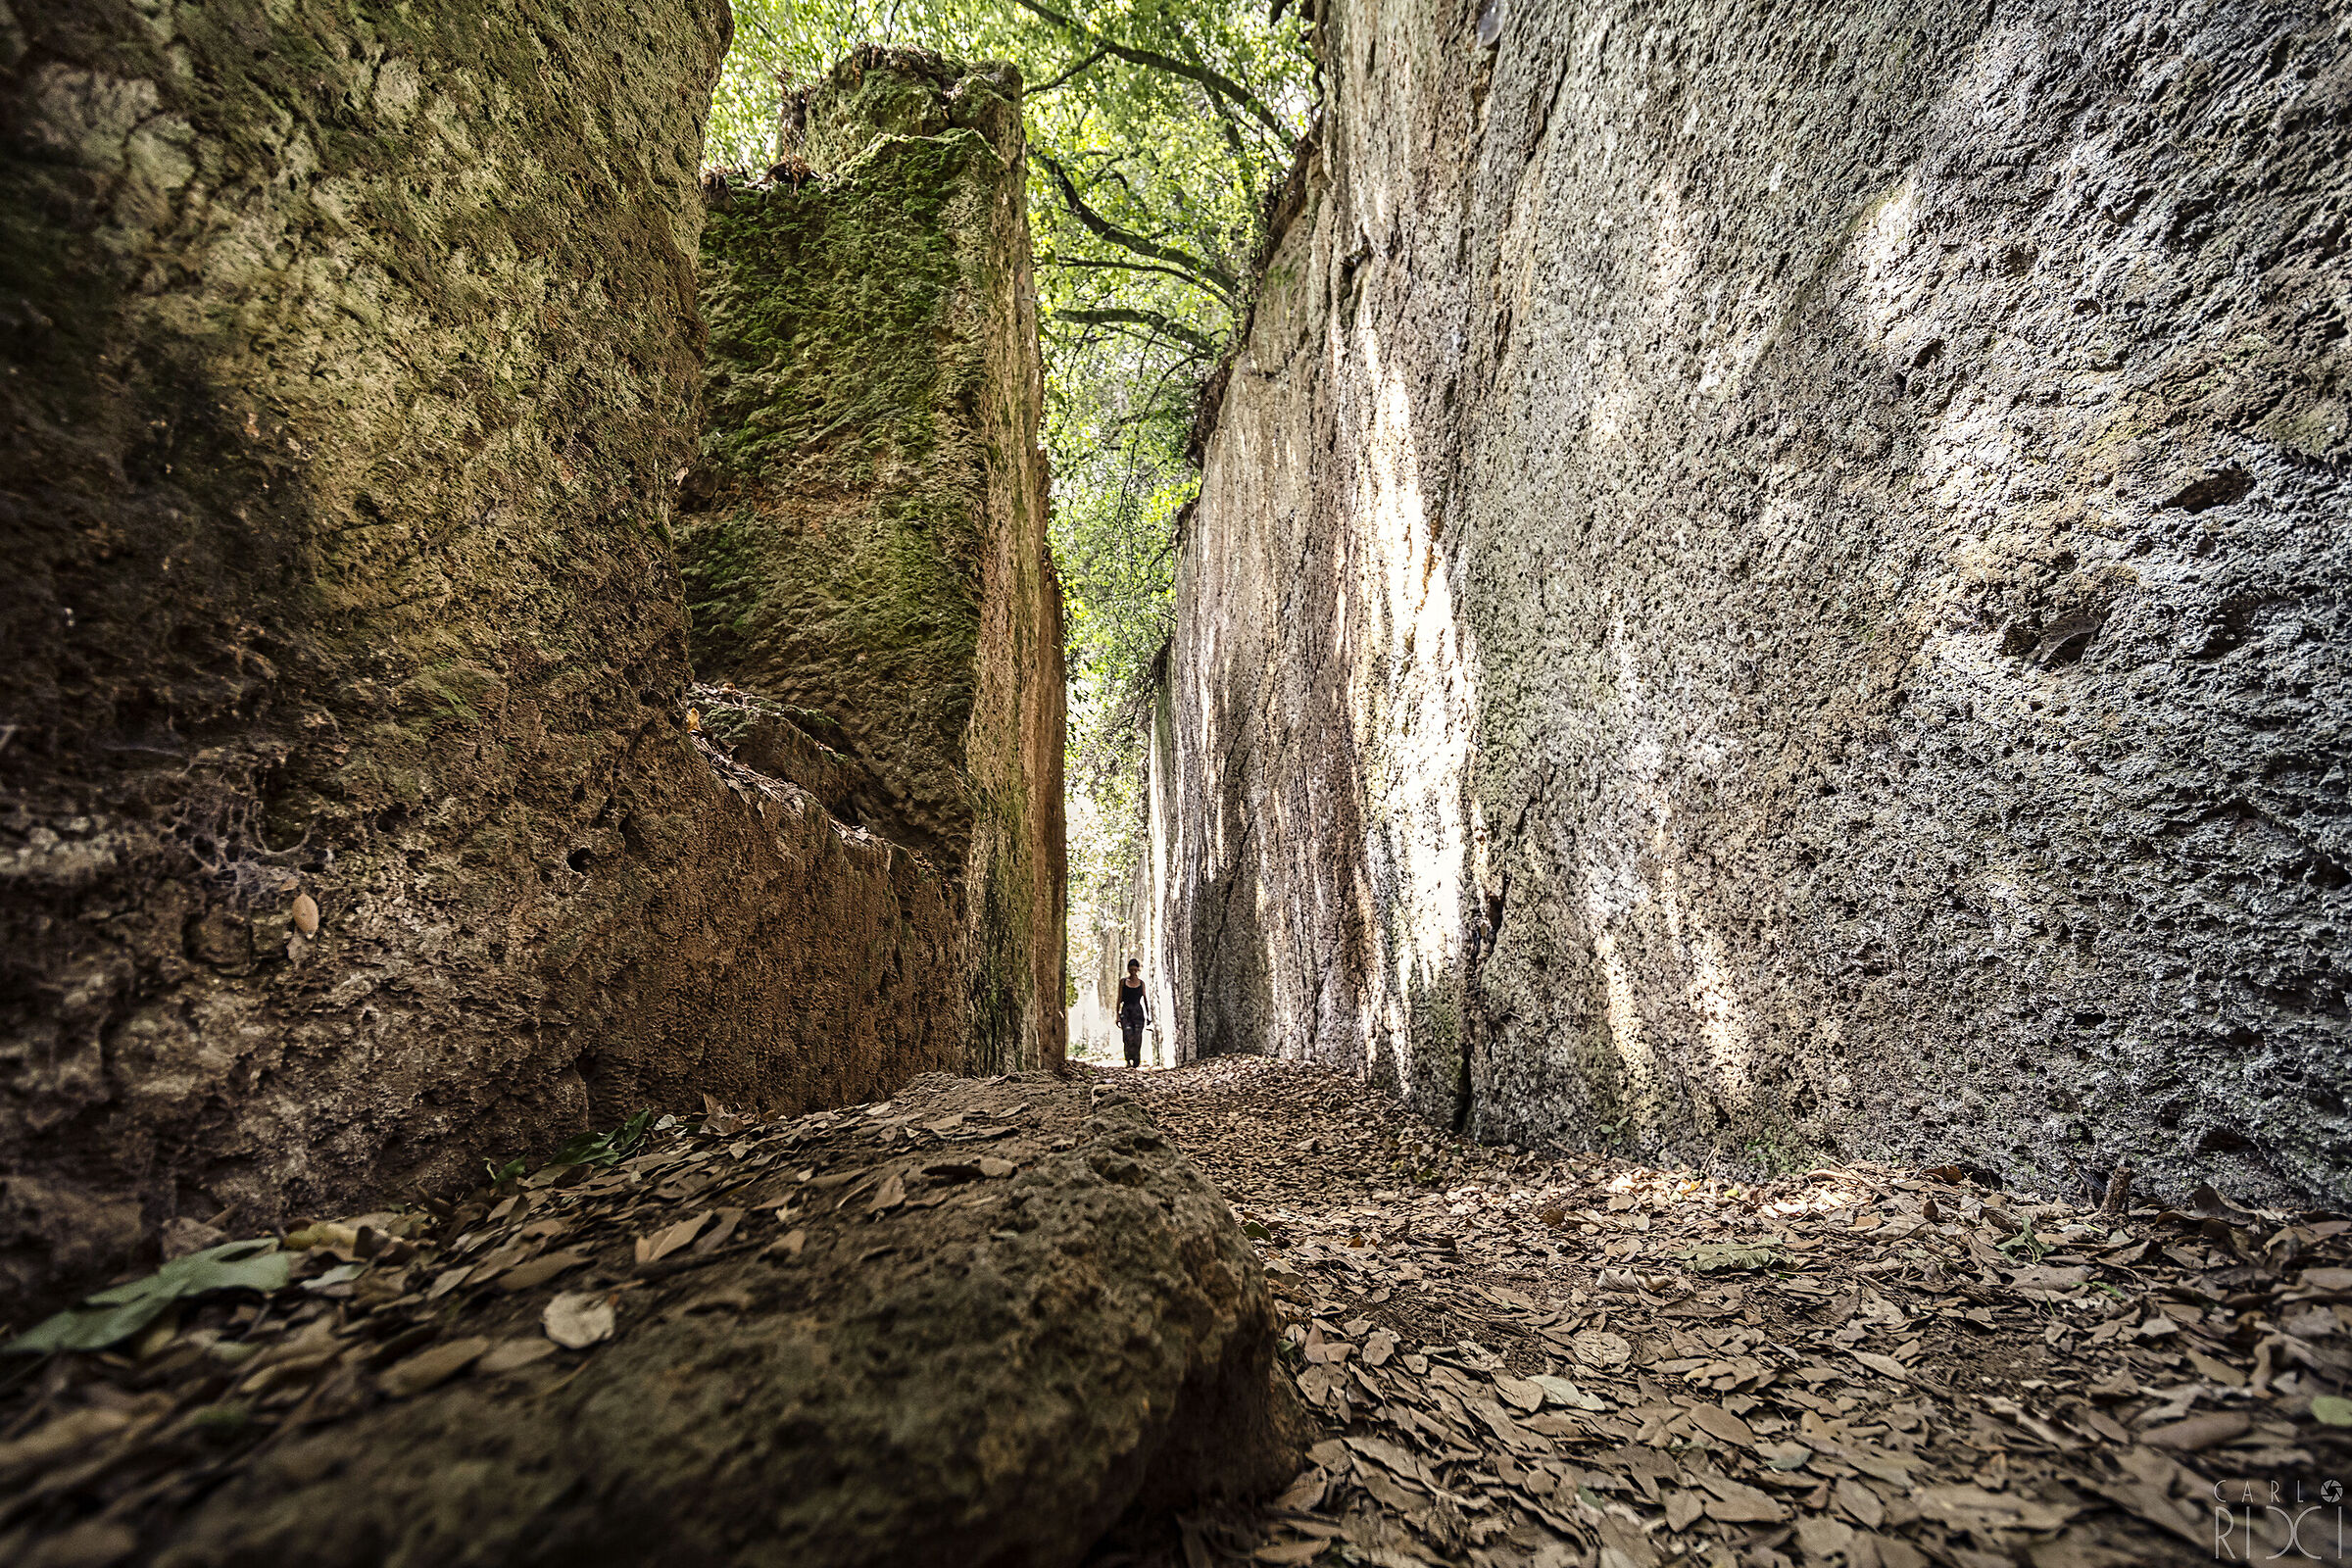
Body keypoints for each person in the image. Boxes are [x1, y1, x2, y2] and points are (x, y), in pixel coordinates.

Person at [1117, 959, 1150, 1068]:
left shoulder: (1141, 983)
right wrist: (1117, 1015)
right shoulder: (1123, 982)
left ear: (1138, 970)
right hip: (1126, 1011)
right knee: (1127, 1036)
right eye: (1131, 969)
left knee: (1137, 1037)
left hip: (1138, 1012)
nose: (1133, 972)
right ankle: (1128, 1060)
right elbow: (1119, 998)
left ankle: (1136, 1060)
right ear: (1128, 970)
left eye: (1135, 969)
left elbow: (1145, 999)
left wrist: (1148, 1015)